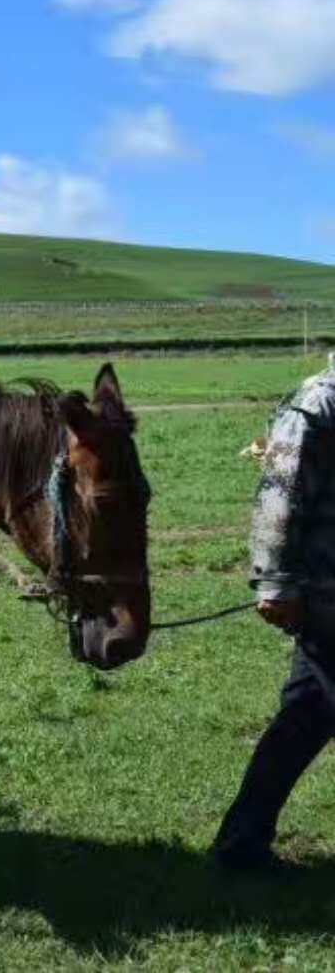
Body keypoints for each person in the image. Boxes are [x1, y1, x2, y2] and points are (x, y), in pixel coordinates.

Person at [212, 356, 335, 871]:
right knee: (309, 711)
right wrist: (276, 582)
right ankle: (240, 844)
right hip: (327, 591)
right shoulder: (317, 404)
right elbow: (277, 497)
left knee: (309, 712)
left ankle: (241, 842)